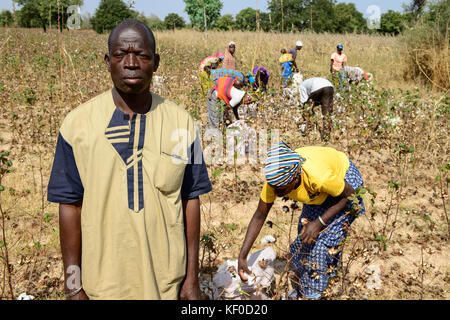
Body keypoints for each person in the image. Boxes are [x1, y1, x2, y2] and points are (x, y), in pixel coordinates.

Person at [47, 20, 212, 300]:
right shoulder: (76, 125)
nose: (131, 63)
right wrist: (73, 285)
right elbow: (70, 207)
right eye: (121, 54)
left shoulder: (181, 123)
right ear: (107, 61)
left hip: (166, 284)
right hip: (102, 286)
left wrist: (191, 279)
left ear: (156, 62)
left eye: (142, 55)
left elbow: (190, 199)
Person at [238, 142, 365, 300]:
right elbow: (259, 215)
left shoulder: (318, 177)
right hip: (321, 194)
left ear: (296, 178)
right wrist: (242, 256)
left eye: (282, 189)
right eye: (275, 188)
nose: (277, 193)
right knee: (302, 243)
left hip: (344, 185)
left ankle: (314, 294)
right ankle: (308, 288)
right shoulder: (275, 179)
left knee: (320, 248)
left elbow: (349, 195)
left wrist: (319, 222)